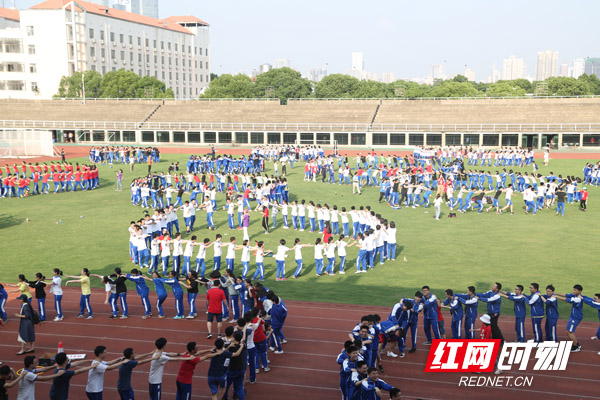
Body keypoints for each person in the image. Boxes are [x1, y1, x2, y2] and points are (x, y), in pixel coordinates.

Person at [555, 284, 584, 352]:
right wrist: (556, 293)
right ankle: (576, 344)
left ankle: (575, 346)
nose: (574, 291)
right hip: (573, 316)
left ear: (579, 291)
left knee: (569, 331)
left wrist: (556, 296)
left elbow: (566, 299)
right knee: (569, 331)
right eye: (574, 290)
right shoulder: (575, 295)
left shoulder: (578, 299)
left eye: (575, 290)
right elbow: (566, 295)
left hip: (576, 317)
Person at [224, 331, 247, 400]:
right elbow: (242, 343)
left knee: (226, 385)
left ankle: (224, 397)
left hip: (232, 369)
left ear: (234, 338)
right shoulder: (243, 346)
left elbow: (224, 352)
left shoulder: (231, 347)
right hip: (240, 369)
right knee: (240, 386)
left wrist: (229, 345)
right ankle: (238, 396)